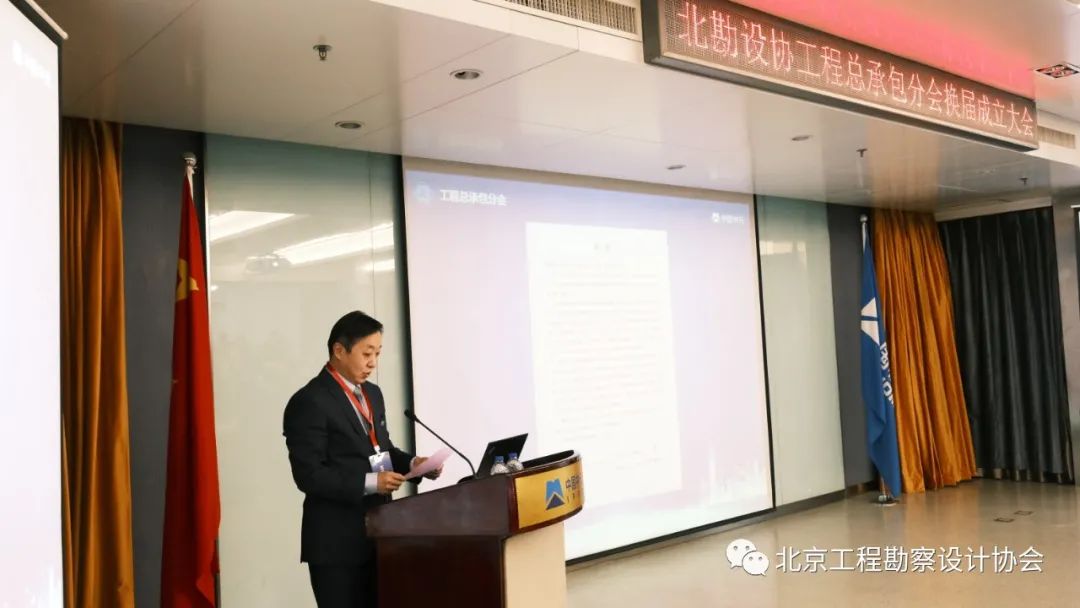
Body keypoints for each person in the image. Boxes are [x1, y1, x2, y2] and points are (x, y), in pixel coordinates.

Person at [283, 311, 442, 608]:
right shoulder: (309, 401)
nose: (373, 363)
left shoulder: (372, 393)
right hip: (337, 545)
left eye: (378, 354)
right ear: (339, 350)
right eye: (366, 353)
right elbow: (309, 475)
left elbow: (381, 449)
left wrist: (413, 464)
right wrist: (370, 483)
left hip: (381, 536)